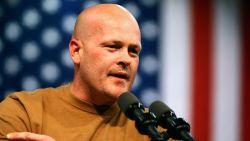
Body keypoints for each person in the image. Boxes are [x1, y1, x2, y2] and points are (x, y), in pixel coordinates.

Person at [0, 4, 174, 141]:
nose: (126, 59)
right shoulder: (23, 112)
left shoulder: (156, 129)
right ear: (76, 51)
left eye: (133, 51)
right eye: (113, 47)